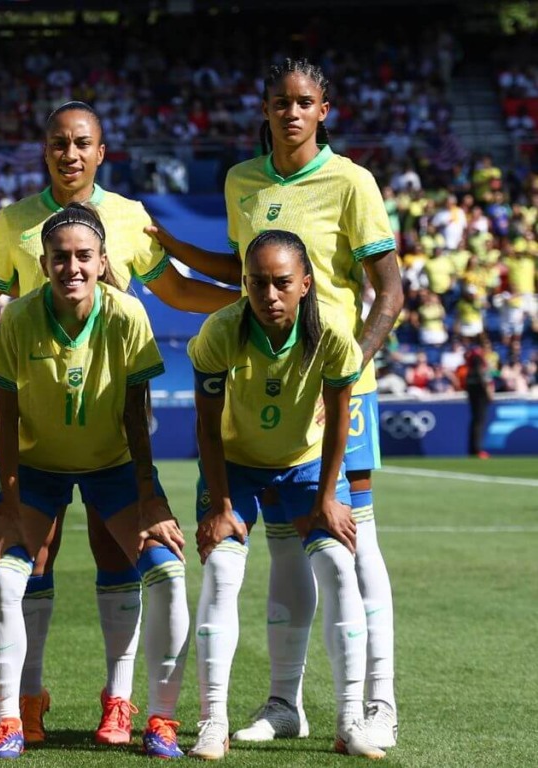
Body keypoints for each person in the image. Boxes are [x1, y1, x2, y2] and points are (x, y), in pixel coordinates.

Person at [0, 100, 237, 746]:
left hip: (110, 437)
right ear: (43, 149)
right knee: (31, 563)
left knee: (121, 559)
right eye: (58, 142)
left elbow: (180, 293)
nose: (70, 153)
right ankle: (28, 698)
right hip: (38, 439)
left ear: (101, 152)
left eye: (82, 143)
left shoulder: (129, 220)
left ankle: (122, 700)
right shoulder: (16, 225)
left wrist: (254, 308)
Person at [153, 59, 403, 750]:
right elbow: (240, 272)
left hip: (338, 390)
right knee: (290, 551)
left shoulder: (351, 181)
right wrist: (168, 246)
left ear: (324, 108)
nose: (291, 113)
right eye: (279, 102)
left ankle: (378, 704)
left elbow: (390, 290)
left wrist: (346, 375)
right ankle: (284, 703)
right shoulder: (242, 180)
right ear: (264, 109)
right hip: (269, 384)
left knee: (356, 544)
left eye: (304, 102)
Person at [0, 203, 189, 759]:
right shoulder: (19, 317)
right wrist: (7, 501)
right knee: (3, 579)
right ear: (44, 262)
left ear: (101, 261)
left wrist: (151, 496)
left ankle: (146, 713)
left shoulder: (126, 314)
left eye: (83, 256)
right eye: (60, 257)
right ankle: (16, 713)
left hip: (112, 468)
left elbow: (135, 413)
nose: (71, 267)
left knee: (168, 573)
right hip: (36, 470)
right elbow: (6, 414)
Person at [186, 230, 384, 760]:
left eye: (280, 283)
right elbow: (206, 428)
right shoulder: (220, 332)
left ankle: (349, 722)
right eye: (256, 283)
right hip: (234, 467)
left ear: (305, 285)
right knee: (223, 573)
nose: (268, 295)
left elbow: (340, 421)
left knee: (342, 569)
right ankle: (213, 721)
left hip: (305, 466)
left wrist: (326, 499)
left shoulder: (334, 336)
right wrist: (222, 506)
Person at [463, 340, 494, 458]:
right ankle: (477, 449)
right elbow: (483, 376)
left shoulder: (474, 357)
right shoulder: (478, 358)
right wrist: (488, 392)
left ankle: (473, 449)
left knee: (476, 421)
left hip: (473, 391)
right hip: (479, 392)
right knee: (479, 421)